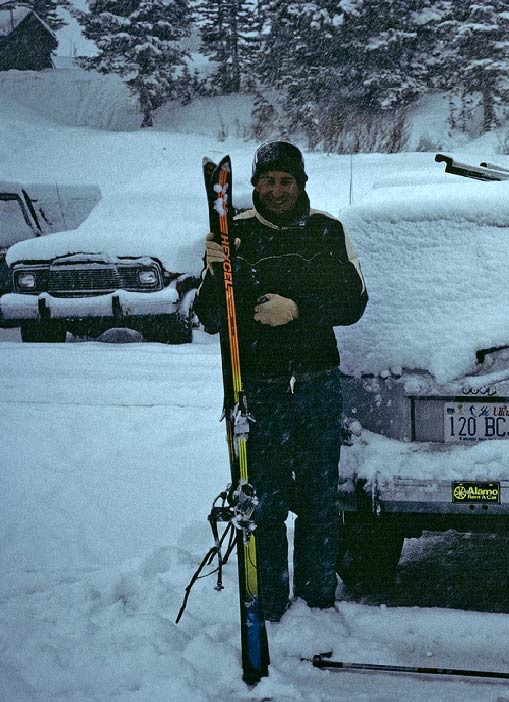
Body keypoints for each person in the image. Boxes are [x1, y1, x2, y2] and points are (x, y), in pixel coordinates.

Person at [194, 140, 368, 622]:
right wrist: (214, 271)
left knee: (318, 498)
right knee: (263, 501)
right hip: (259, 389)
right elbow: (209, 317)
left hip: (316, 383)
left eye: (285, 181)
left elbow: (354, 303)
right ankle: (268, 606)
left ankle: (316, 604)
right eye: (267, 181)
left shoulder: (328, 231)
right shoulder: (234, 234)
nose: (276, 190)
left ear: (301, 183)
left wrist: (299, 309)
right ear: (254, 186)